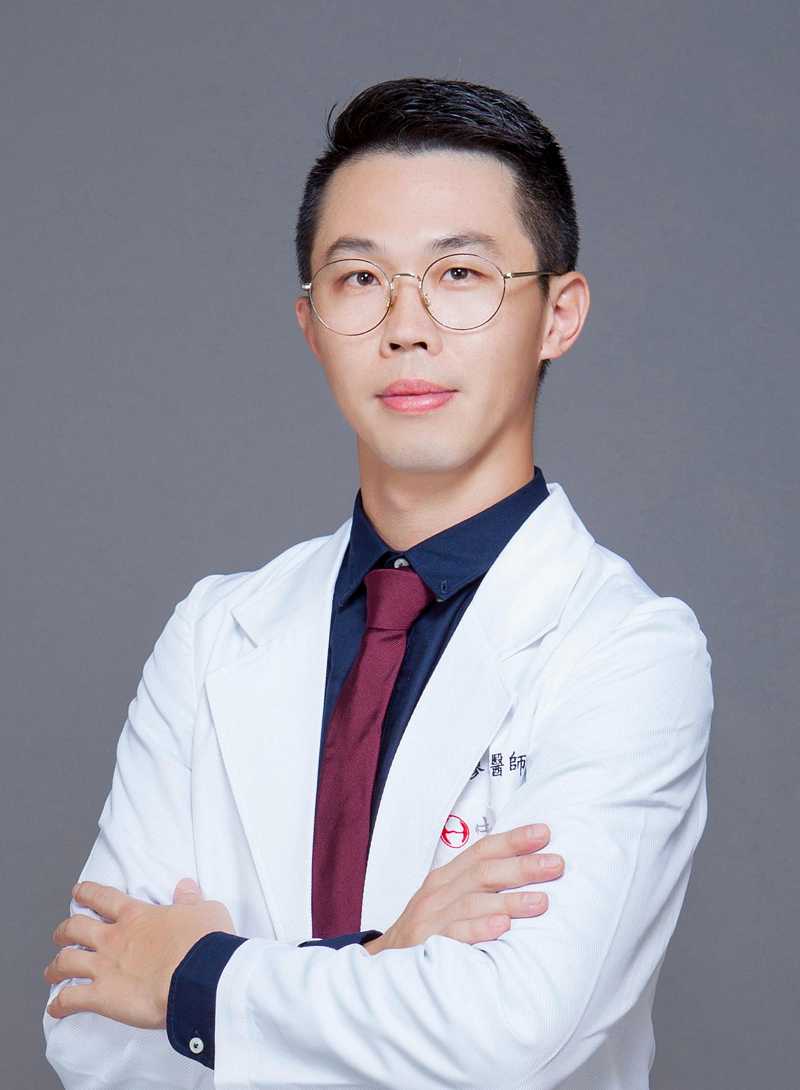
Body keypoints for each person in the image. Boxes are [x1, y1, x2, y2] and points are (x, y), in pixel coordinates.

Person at [42, 76, 714, 1090]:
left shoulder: (627, 650)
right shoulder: (214, 630)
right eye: (360, 278)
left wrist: (193, 981)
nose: (407, 326)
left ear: (558, 314)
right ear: (310, 321)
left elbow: (509, 1035)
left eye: (460, 273)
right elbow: (88, 1026)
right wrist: (387, 958)